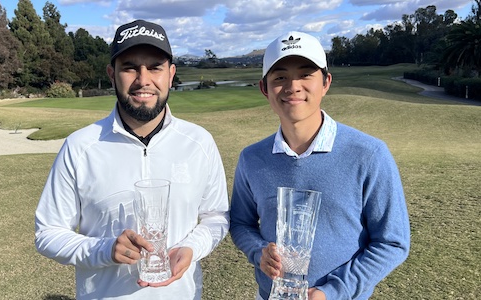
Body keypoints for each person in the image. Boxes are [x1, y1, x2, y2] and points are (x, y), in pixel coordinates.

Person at [35, 19, 230, 300]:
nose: (143, 80)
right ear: (112, 74)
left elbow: (217, 217)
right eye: (129, 67)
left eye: (155, 67)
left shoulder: (199, 142)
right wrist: (104, 249)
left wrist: (191, 248)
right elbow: (48, 232)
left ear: (171, 74)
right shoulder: (80, 146)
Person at [229, 31, 410, 300]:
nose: (293, 86)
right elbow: (241, 223)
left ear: (326, 82)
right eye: (280, 77)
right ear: (264, 88)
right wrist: (258, 252)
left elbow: (392, 242)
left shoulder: (369, 154)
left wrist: (332, 291)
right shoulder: (252, 158)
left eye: (305, 74)